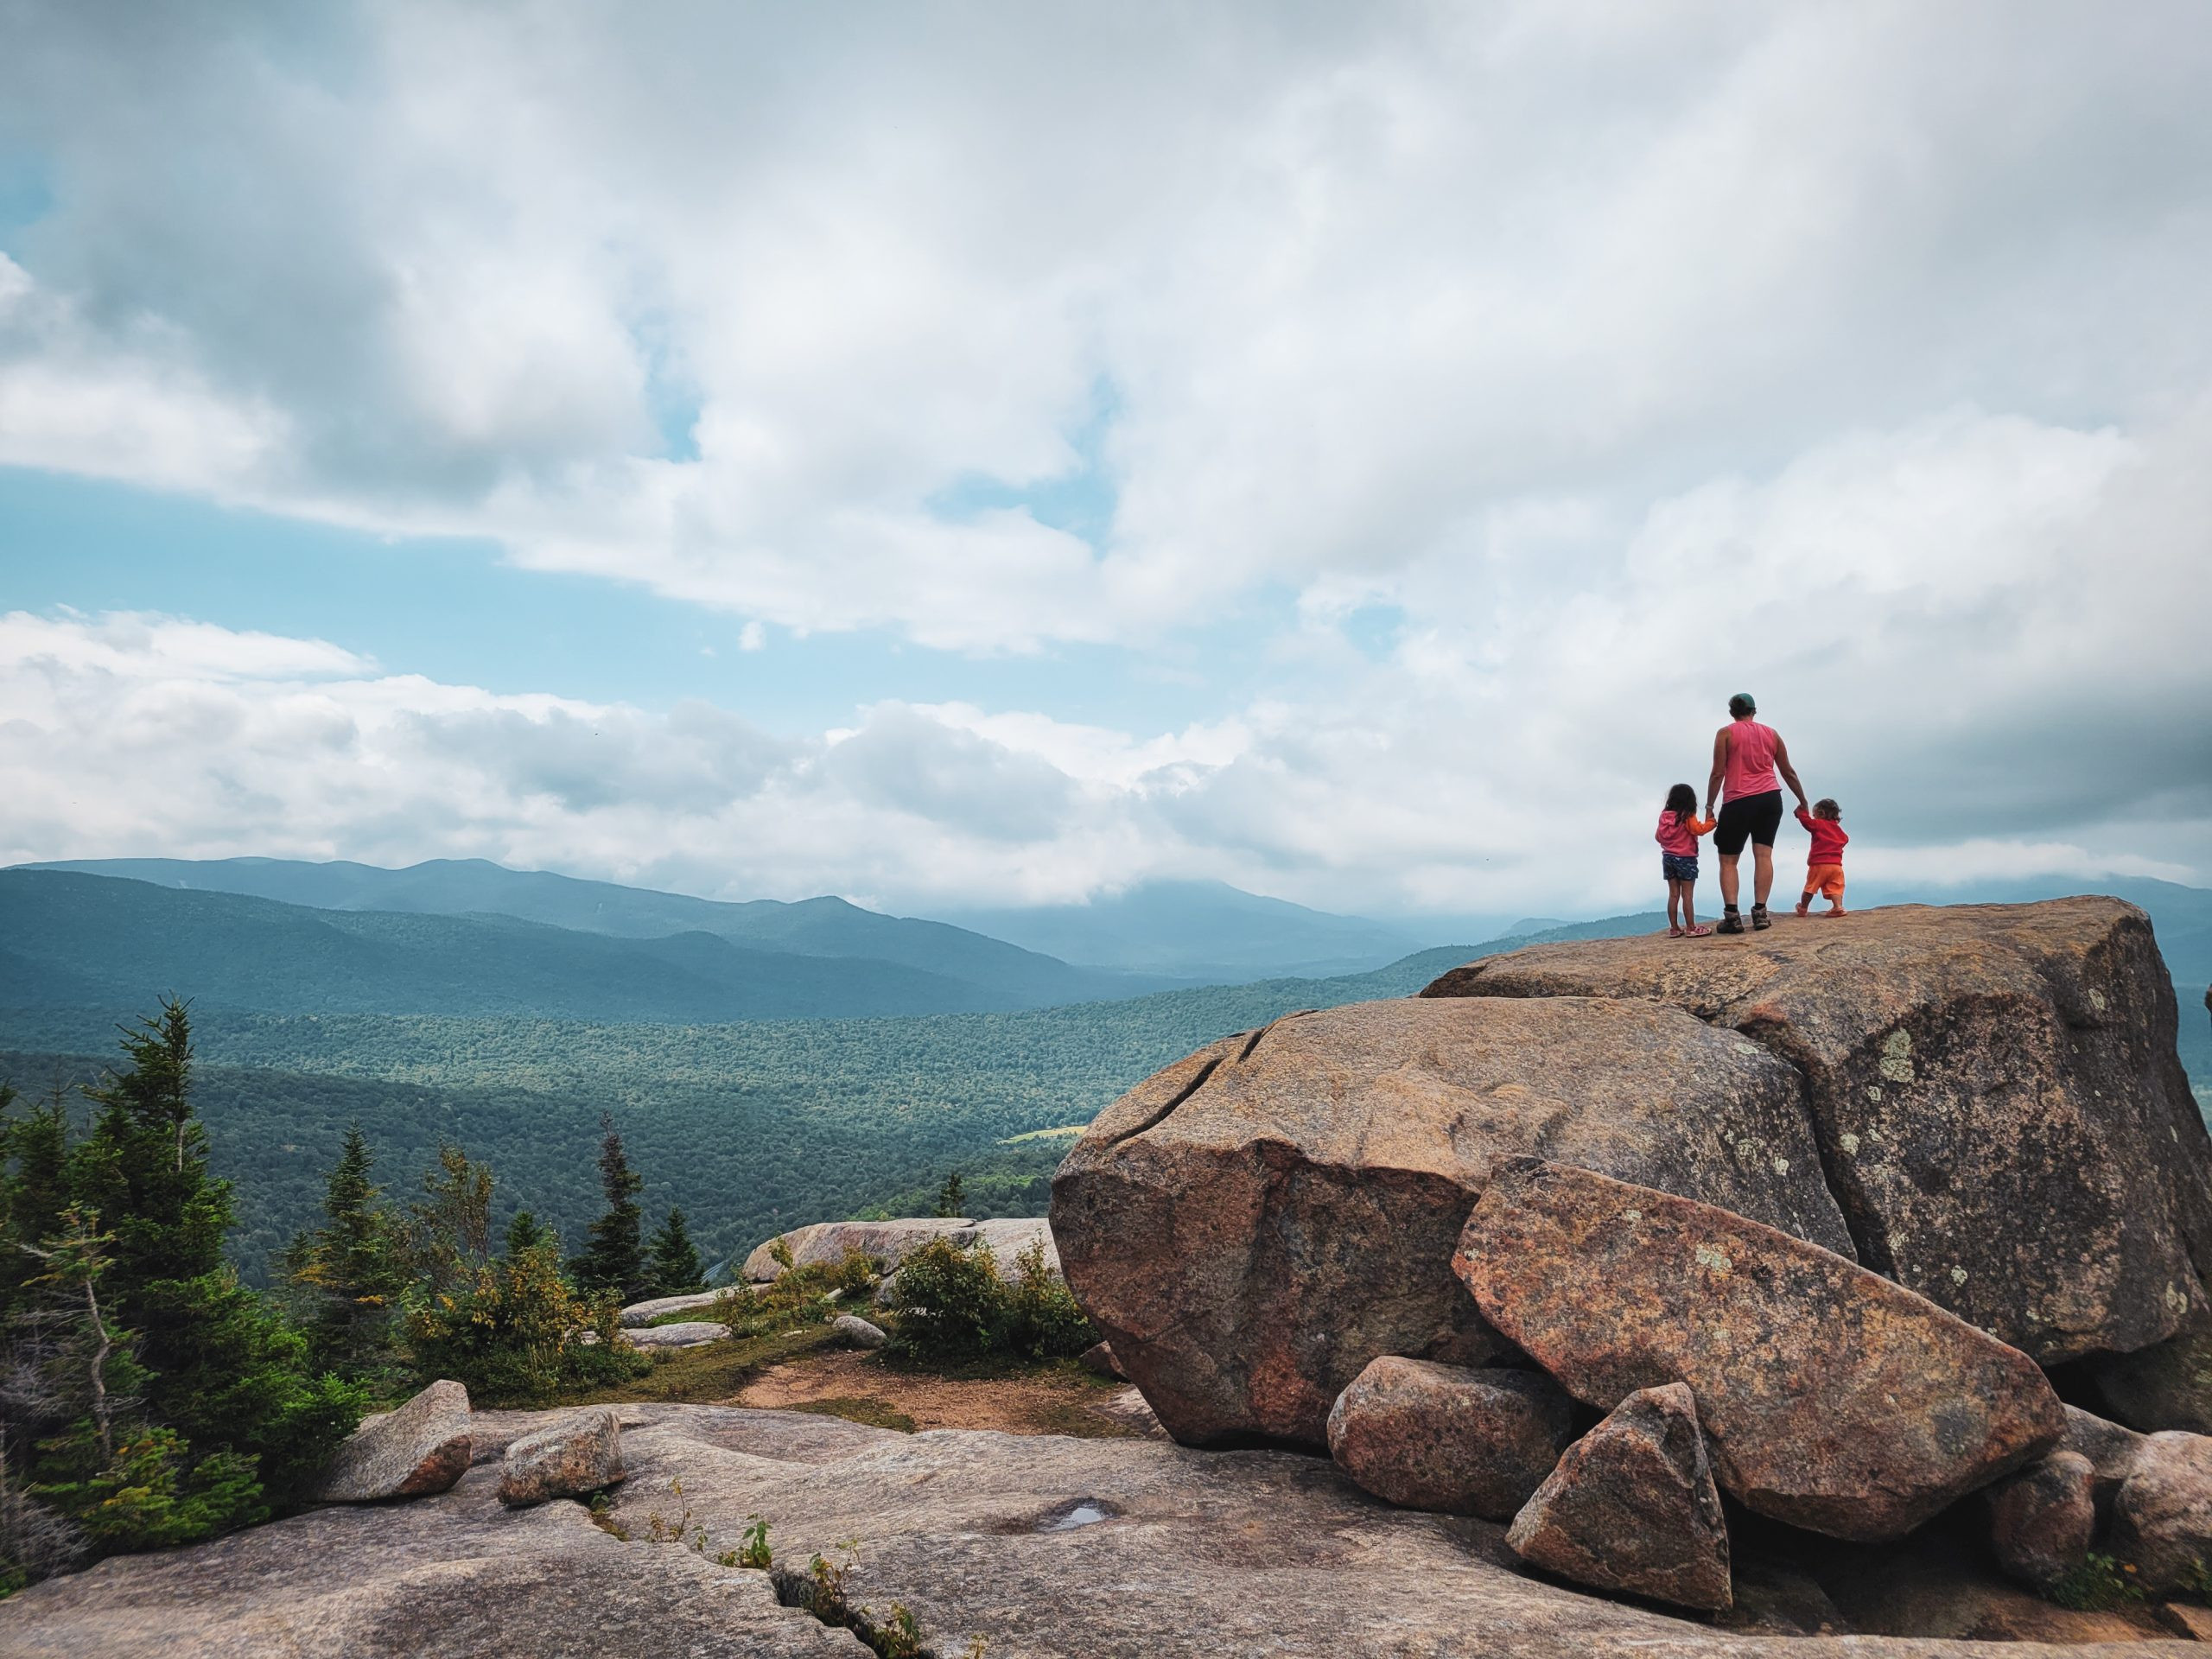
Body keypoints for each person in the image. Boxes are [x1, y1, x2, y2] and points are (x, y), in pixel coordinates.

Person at [1703, 691, 1808, 934]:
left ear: (1732, 712)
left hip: (1738, 800)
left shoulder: (1726, 733)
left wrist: (1709, 807)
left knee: (1728, 860)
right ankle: (1760, 913)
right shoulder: (1772, 734)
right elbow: (1788, 771)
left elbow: (1718, 773)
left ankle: (1732, 917)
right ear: (1754, 711)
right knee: (1763, 855)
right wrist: (1802, 800)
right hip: (1770, 799)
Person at [1656, 783, 1715, 938]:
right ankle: (1691, 928)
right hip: (1686, 859)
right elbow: (1698, 830)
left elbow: (1658, 837)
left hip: (1668, 858)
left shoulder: (1664, 816)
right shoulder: (1687, 815)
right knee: (1687, 895)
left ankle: (1674, 928)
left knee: (1673, 894)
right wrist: (1712, 823)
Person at [1794, 798, 1849, 918]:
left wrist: (1800, 812)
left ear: (1821, 814)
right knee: (1836, 888)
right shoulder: (1838, 829)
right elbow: (1845, 839)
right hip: (1836, 866)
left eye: (1814, 815)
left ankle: (1803, 908)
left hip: (1819, 865)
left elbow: (1807, 822)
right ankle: (1838, 907)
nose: (1813, 818)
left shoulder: (1819, 824)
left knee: (1810, 888)